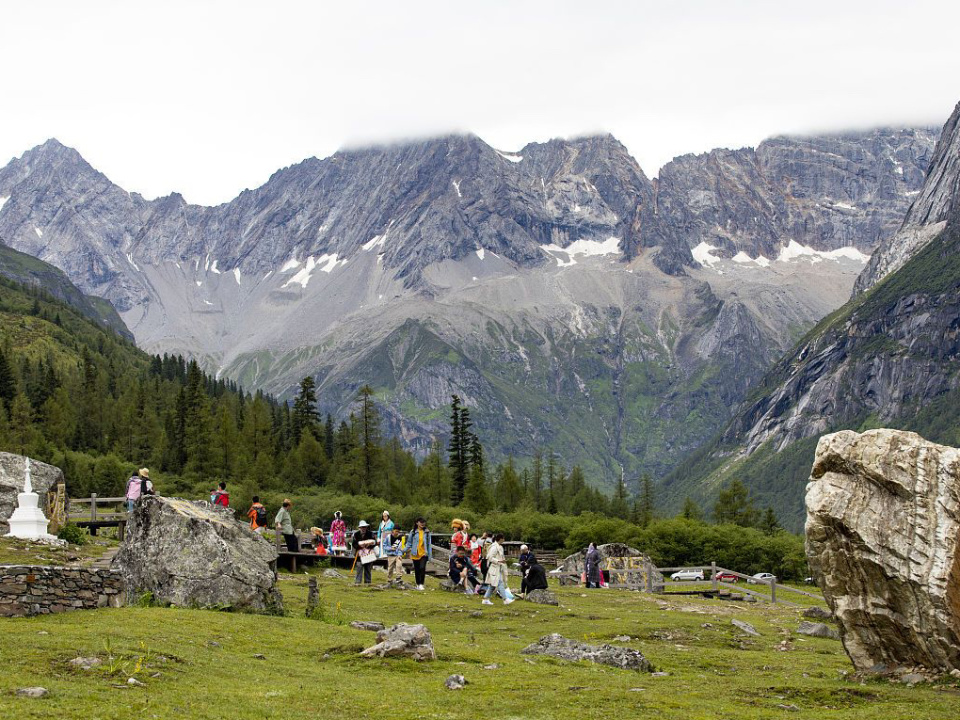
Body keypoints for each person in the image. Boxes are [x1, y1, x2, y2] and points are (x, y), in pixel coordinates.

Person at [482, 533, 515, 605]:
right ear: (501, 539)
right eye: (503, 538)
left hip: (499, 568)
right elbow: (490, 557)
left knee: (492, 585)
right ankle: (505, 599)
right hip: (494, 568)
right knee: (500, 583)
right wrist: (498, 561)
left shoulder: (500, 547)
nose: (504, 540)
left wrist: (502, 561)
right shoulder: (494, 547)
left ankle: (485, 599)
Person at [406, 517, 432, 590]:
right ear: (417, 523)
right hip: (415, 553)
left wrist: (429, 556)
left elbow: (429, 544)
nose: (422, 524)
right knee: (417, 569)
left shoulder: (427, 532)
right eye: (421, 522)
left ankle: (421, 584)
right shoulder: (413, 532)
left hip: (424, 553)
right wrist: (403, 550)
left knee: (422, 568)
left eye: (424, 522)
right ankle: (417, 583)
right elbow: (409, 543)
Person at [353, 520, 377, 585]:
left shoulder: (371, 534)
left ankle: (368, 583)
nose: (363, 528)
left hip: (369, 553)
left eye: (364, 527)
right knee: (359, 568)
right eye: (362, 527)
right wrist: (359, 546)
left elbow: (374, 543)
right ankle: (358, 582)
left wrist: (369, 545)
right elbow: (354, 544)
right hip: (359, 554)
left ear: (366, 527)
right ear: (359, 528)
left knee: (368, 568)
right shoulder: (356, 534)